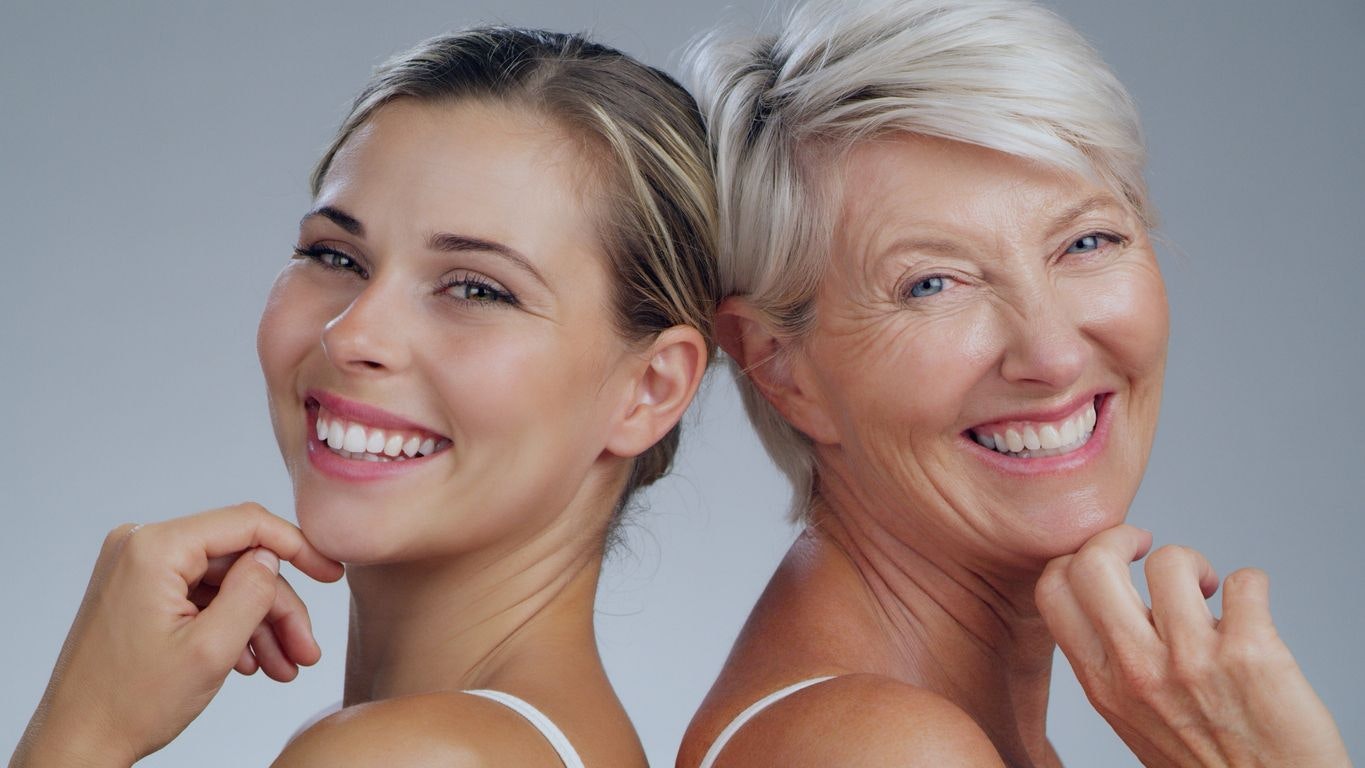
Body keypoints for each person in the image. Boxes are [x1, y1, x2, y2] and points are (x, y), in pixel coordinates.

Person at [11, 26, 717, 768]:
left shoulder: (404, 755)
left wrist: (85, 727)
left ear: (649, 388)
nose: (353, 335)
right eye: (335, 255)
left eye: (477, 288)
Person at [676, 1, 1351, 766]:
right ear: (777, 364)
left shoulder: (943, 725)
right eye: (932, 284)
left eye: (1086, 241)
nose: (1053, 355)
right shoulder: (883, 748)